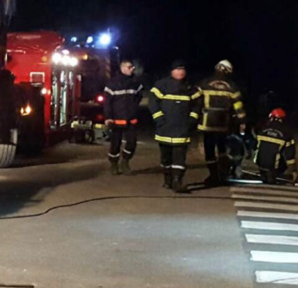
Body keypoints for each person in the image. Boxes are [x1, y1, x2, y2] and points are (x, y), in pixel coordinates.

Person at [148, 60, 201, 193]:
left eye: (182, 69)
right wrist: (159, 118)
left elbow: (197, 105)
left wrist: (192, 120)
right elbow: (153, 102)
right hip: (164, 128)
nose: (180, 72)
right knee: (166, 157)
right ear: (171, 71)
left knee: (180, 157)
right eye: (177, 69)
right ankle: (167, 179)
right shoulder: (162, 85)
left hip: (182, 129)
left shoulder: (191, 88)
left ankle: (177, 181)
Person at [196, 60, 246, 185]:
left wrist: (193, 117)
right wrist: (242, 121)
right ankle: (223, 173)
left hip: (207, 123)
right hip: (223, 123)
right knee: (222, 149)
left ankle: (213, 176)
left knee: (209, 150)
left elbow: (196, 100)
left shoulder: (205, 83)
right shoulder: (232, 86)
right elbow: (238, 106)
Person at [103, 59, 143, 175]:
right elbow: (107, 102)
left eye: (132, 67)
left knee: (132, 142)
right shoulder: (113, 83)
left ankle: (125, 161)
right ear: (123, 68)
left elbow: (138, 97)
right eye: (130, 67)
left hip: (131, 119)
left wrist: (133, 108)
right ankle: (114, 164)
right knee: (115, 143)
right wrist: (108, 117)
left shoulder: (135, 83)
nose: (132, 69)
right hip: (116, 119)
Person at [255, 108, 297, 185]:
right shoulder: (286, 133)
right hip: (273, 166)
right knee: (282, 154)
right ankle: (274, 175)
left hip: (259, 162)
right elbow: (290, 154)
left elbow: (256, 146)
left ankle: (264, 173)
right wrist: (293, 170)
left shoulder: (262, 129)